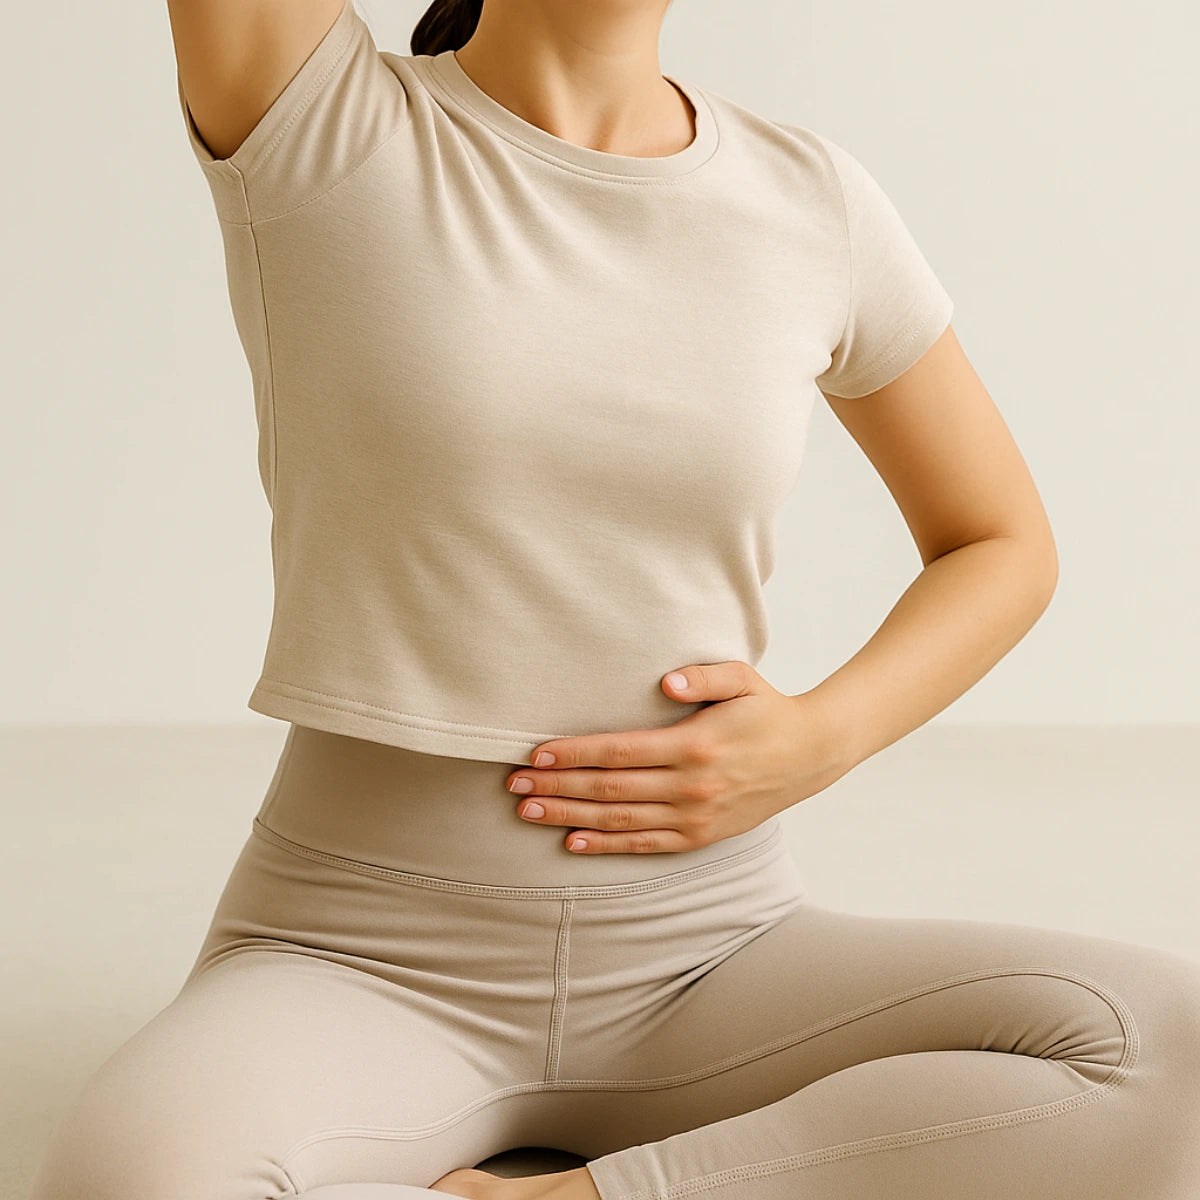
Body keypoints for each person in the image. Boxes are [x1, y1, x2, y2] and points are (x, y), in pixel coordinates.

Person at [27, 1, 1200, 1198]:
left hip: (714, 955)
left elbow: (1000, 540)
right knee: (129, 1185)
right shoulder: (315, 117)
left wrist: (819, 735)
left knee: (1175, 1053)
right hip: (360, 953)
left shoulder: (811, 201)